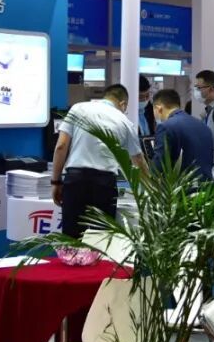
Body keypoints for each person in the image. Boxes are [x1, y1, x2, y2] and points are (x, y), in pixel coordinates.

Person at [51, 84, 147, 238]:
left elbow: (61, 146)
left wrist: (55, 182)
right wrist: (152, 190)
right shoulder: (124, 121)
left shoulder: (78, 108)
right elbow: (139, 161)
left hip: (75, 181)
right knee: (101, 240)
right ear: (123, 104)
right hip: (104, 184)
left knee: (71, 239)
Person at [151, 88, 214, 180]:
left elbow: (159, 166)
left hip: (182, 186)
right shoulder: (203, 126)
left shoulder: (165, 127)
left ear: (158, 109)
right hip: (206, 185)